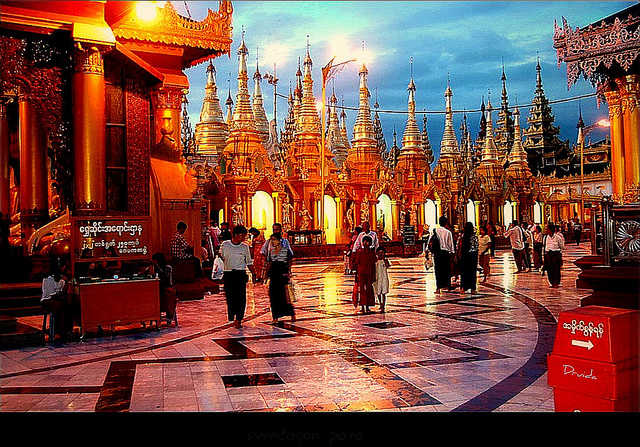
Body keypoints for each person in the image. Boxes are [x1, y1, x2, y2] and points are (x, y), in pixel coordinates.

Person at [220, 225, 256, 328]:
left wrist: (253, 273)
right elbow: (222, 257)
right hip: (228, 274)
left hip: (240, 274)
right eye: (242, 235)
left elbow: (249, 262)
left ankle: (239, 318)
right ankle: (232, 315)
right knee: (230, 297)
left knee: (241, 297)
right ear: (235, 235)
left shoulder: (245, 247)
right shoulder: (225, 245)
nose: (244, 238)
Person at [265, 233, 295, 323]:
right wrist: (266, 276)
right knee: (273, 296)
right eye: (271, 240)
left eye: (274, 239)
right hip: (274, 275)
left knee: (285, 297)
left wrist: (288, 272)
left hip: (283, 275)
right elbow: (269, 264)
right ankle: (275, 317)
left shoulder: (285, 251)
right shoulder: (271, 251)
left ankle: (292, 314)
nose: (272, 242)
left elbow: (289, 261)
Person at [41, 264, 70, 342]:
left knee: (64, 304)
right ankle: (61, 330)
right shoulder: (61, 280)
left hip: (44, 301)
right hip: (51, 302)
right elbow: (59, 293)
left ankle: (58, 328)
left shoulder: (45, 278)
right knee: (66, 305)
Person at [431, 216, 455, 294]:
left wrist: (428, 252)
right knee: (447, 270)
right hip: (445, 253)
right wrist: (452, 252)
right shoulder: (448, 232)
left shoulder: (434, 231)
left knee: (438, 270)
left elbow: (430, 242)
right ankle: (447, 286)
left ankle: (438, 288)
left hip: (437, 253)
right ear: (446, 223)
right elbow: (450, 244)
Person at [353, 235, 377, 313]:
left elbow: (374, 264)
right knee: (362, 290)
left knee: (369, 290)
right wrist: (356, 275)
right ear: (362, 243)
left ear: (370, 243)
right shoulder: (359, 252)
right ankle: (363, 306)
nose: (366, 243)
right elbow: (356, 264)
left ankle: (367, 306)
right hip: (361, 273)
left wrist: (374, 275)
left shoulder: (371, 253)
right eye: (365, 242)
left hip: (369, 273)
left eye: (368, 242)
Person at [152, 253, 177, 324]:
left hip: (167, 288)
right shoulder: (154, 267)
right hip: (158, 288)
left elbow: (165, 279)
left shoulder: (167, 267)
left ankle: (168, 315)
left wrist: (157, 268)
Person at [459, 222, 479, 294]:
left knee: (464, 272)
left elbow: (458, 246)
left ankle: (463, 288)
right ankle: (473, 289)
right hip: (473, 256)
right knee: (472, 273)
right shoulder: (474, 236)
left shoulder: (462, 236)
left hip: (464, 256)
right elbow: (476, 247)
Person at [544, 223, 565, 288]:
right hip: (548, 255)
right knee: (549, 270)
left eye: (547, 229)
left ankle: (556, 282)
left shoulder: (558, 237)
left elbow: (562, 246)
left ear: (551, 230)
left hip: (555, 255)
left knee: (556, 270)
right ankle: (551, 282)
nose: (546, 230)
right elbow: (544, 246)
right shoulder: (545, 237)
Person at [373, 247, 390, 312]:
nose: (381, 254)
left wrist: (385, 260)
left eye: (382, 253)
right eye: (379, 253)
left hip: (384, 278)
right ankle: (380, 303)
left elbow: (388, 266)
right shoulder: (375, 261)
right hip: (377, 278)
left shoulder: (385, 261)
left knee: (384, 292)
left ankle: (383, 305)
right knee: (378, 292)